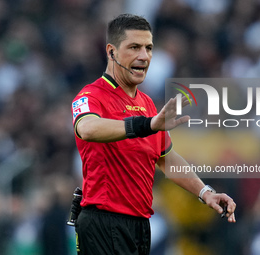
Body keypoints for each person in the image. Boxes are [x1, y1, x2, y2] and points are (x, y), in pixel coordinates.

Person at [71, 13, 236, 255]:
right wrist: (145, 125)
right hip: (104, 223)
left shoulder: (147, 104)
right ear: (111, 52)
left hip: (139, 226)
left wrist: (205, 192)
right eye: (134, 47)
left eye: (148, 48)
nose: (144, 56)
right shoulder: (92, 95)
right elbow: (87, 129)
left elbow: (166, 157)